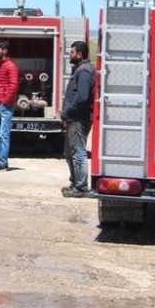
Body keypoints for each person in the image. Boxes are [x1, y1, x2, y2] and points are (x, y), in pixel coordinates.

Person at [61, 41, 95, 198]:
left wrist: (69, 110)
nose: (70, 54)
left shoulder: (84, 72)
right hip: (73, 119)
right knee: (69, 152)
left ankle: (81, 187)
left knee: (78, 152)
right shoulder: (80, 70)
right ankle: (75, 183)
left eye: (72, 52)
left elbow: (83, 97)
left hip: (79, 119)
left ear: (80, 54)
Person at [0, 39, 19, 173]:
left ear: (4, 51)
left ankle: (3, 163)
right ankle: (1, 161)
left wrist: (6, 100)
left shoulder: (10, 66)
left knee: (4, 134)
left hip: (5, 105)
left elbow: (13, 85)